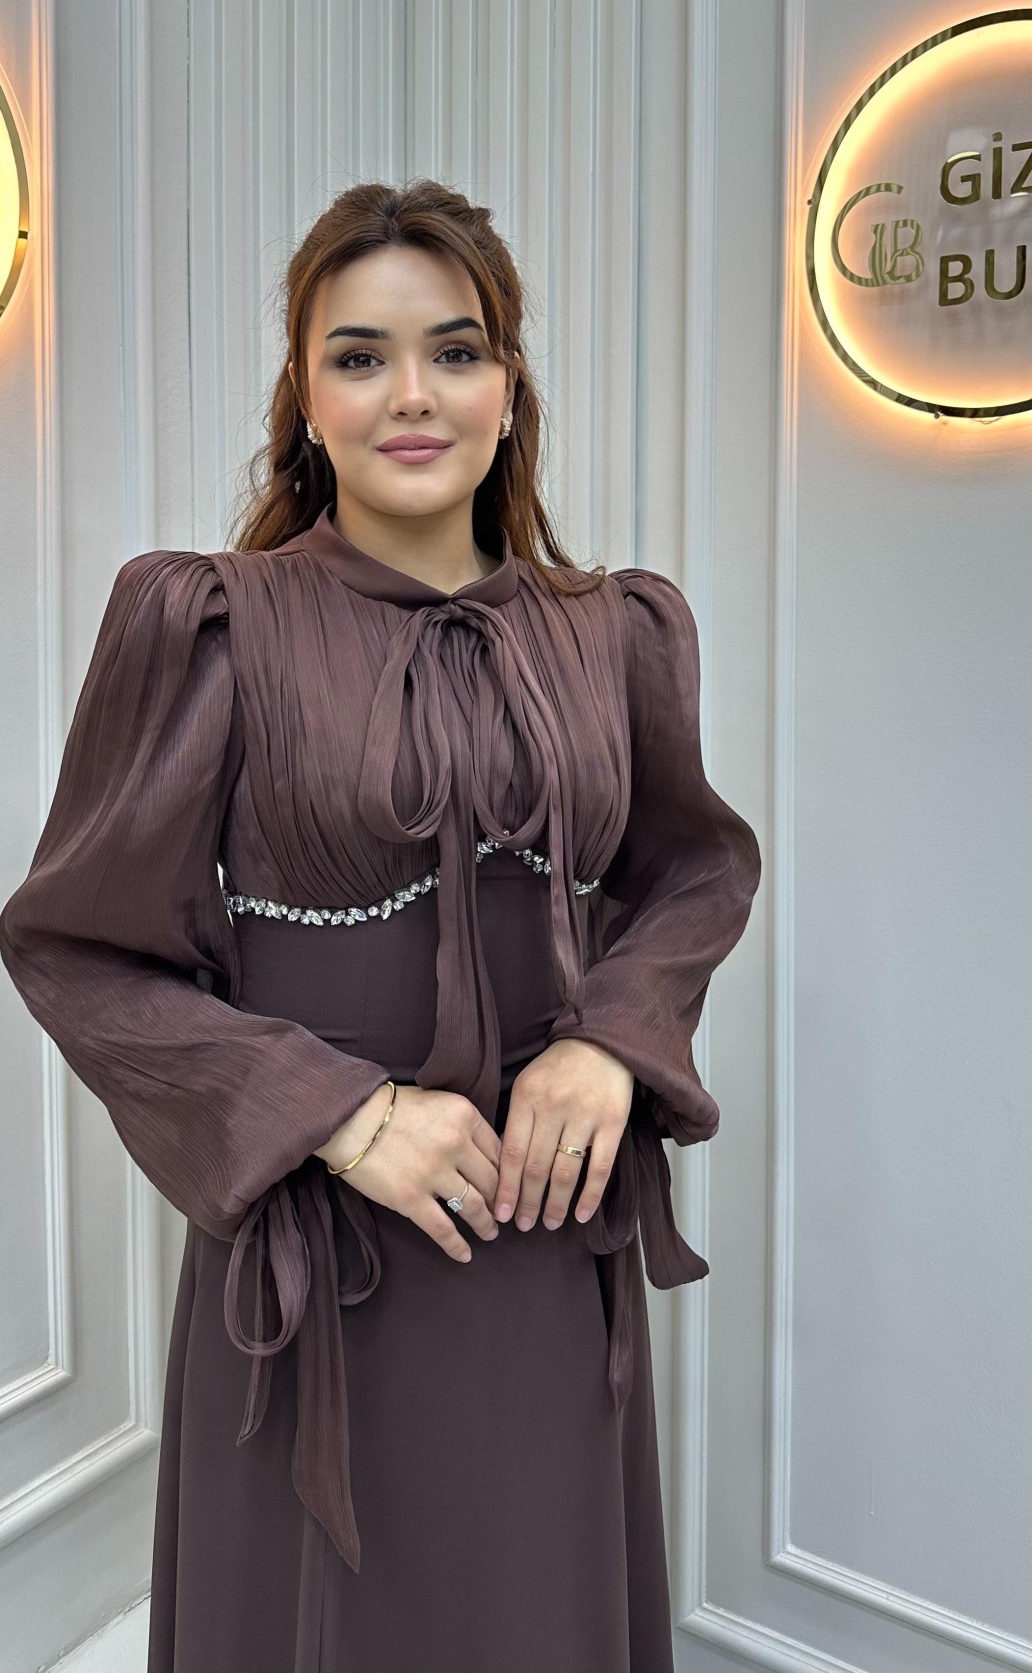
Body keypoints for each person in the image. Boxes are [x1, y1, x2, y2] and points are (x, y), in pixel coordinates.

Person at [0, 179, 761, 1673]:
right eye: (359, 355)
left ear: (508, 387)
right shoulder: (207, 623)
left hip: (546, 1227)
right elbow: (77, 949)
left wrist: (611, 1043)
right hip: (322, 1239)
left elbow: (694, 871)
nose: (412, 394)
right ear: (305, 396)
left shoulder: (614, 630)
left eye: (454, 350)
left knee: (529, 1601)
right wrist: (340, 1117)